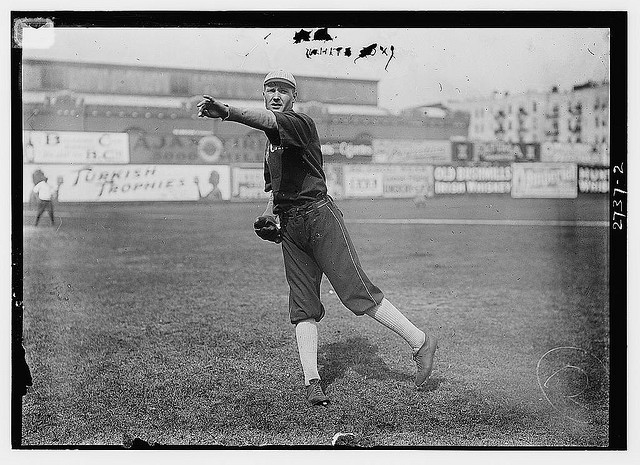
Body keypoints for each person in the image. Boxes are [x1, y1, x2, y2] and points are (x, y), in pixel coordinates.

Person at [197, 70, 437, 406]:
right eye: (271, 90)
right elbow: (275, 191)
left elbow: (266, 120)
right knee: (302, 304)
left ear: (293, 97)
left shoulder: (299, 123)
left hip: (320, 216)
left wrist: (226, 112)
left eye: (283, 90)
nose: (277, 95)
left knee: (355, 291)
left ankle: (420, 341)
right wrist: (269, 216)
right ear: (264, 94)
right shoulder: (270, 148)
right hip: (292, 228)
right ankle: (312, 381)